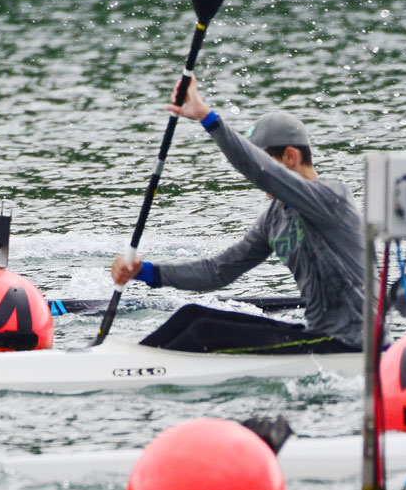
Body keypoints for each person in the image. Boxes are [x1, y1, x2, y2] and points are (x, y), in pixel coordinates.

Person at [110, 76, 364, 354]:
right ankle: (125, 362)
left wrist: (208, 118)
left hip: (351, 343)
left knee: (203, 331)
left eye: (264, 158)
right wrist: (144, 272)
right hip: (317, 334)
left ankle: (133, 370)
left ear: (290, 157)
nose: (257, 178)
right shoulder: (274, 219)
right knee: (193, 315)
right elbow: (217, 271)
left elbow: (262, 171)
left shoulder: (330, 197)